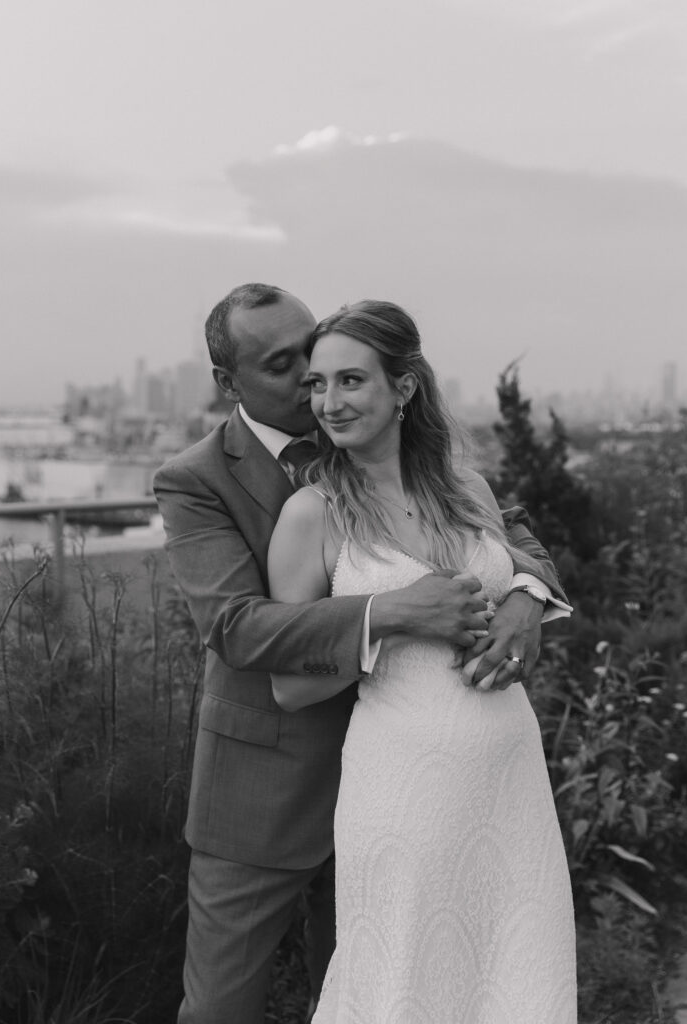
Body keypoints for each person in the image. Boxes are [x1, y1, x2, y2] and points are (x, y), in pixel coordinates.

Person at [153, 283, 570, 1024]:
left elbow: (516, 543)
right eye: (291, 368)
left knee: (422, 982)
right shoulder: (196, 478)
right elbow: (236, 626)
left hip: (440, 783)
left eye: (325, 361)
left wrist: (525, 601)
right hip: (268, 785)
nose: (316, 382)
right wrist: (391, 611)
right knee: (221, 1008)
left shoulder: (431, 461)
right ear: (228, 383)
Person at [268, 299, 577, 1024]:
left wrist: (525, 598)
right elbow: (288, 684)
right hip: (401, 786)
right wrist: (395, 618)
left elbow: (522, 564)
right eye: (317, 385)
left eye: (350, 381)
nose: (328, 402)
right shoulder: (310, 515)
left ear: (403, 388)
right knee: (401, 983)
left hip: (508, 779)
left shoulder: (469, 491)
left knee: (519, 976)